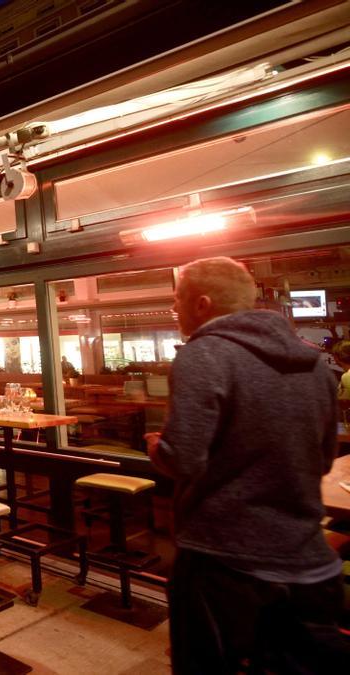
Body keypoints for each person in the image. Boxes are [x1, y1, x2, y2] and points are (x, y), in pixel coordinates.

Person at [144, 257, 343, 674]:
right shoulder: (317, 365)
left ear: (201, 303)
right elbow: (323, 459)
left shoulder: (204, 354)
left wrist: (157, 446)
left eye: (177, 300)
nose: (175, 310)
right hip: (309, 564)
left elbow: (183, 458)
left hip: (223, 563)